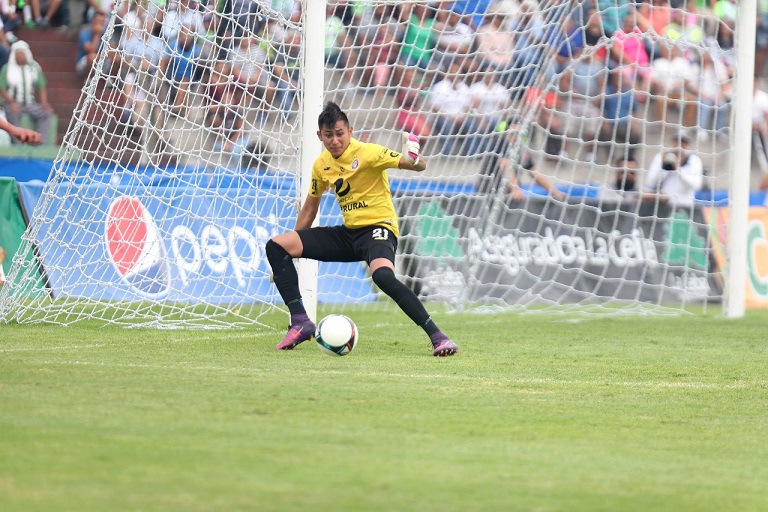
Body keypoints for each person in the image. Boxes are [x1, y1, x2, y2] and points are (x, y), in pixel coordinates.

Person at [265, 101, 459, 357]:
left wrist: (414, 157)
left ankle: (438, 337)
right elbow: (310, 208)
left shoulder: (369, 153)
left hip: (379, 229)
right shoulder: (321, 165)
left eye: (340, 134)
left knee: (383, 277)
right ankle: (300, 322)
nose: (335, 141)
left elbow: (417, 165)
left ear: (350, 131)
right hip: (349, 234)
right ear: (319, 136)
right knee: (277, 246)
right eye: (329, 135)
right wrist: (293, 251)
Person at [0, 41, 53, 144]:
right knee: (12, 112)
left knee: (46, 113)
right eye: (18, 52)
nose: (20, 55)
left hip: (29, 103)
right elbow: (2, 88)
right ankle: (17, 143)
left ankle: (40, 141)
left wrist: (44, 103)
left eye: (22, 52)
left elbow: (41, 86)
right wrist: (12, 102)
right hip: (11, 103)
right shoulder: (7, 68)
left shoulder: (34, 68)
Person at [642, 129, 703, 207]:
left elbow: (696, 186)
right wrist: (662, 167)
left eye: (683, 141)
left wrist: (678, 170)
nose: (679, 144)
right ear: (672, 141)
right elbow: (650, 182)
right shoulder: (661, 156)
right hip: (662, 205)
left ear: (688, 143)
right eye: (677, 140)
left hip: (684, 206)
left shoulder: (694, 160)